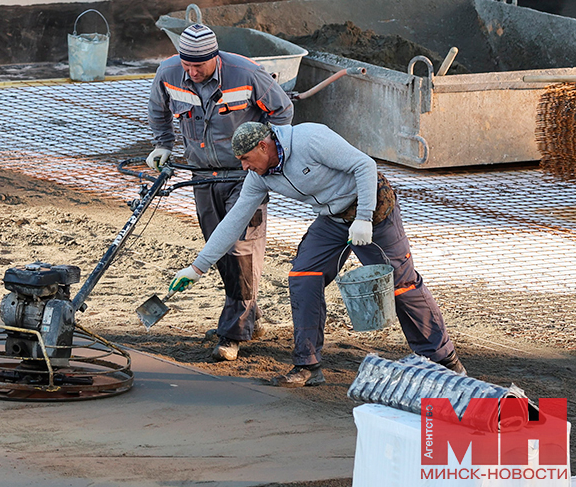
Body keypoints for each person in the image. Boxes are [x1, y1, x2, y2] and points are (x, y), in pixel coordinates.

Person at [167, 121, 466, 385]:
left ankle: (444, 361)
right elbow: (233, 221)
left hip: (373, 210)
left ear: (263, 145)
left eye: (246, 159)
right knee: (303, 276)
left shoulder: (310, 139)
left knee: (401, 285)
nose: (244, 166)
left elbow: (364, 165)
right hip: (333, 219)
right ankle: (307, 365)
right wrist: (197, 268)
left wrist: (363, 216)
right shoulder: (260, 176)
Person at [146, 23, 294, 362]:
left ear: (215, 57)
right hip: (202, 176)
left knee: (241, 249)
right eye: (187, 65)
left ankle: (232, 335)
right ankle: (249, 318)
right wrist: (163, 145)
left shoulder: (246, 74)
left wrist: (270, 155)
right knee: (219, 248)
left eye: (199, 65)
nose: (192, 72)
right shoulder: (169, 73)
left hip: (246, 176)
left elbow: (282, 110)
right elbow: (158, 107)